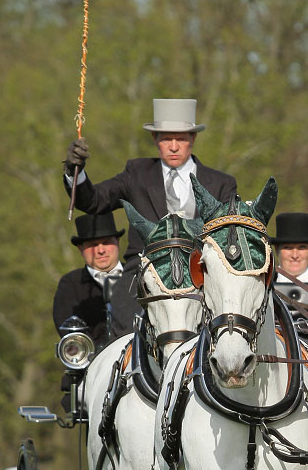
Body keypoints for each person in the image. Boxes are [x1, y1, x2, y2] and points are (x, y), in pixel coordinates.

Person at [63, 98, 237, 338]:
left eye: (181, 139)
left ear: (193, 139)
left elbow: (228, 242)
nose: (174, 146)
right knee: (123, 337)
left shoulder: (221, 184)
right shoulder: (136, 174)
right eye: (166, 138)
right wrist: (76, 172)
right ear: (155, 140)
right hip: (141, 278)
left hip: (202, 278)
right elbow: (93, 201)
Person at [53, 212, 125, 351]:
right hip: (92, 363)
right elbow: (70, 334)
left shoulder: (139, 275)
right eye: (93, 245)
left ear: (118, 242)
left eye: (106, 242)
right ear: (81, 249)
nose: (100, 250)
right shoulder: (70, 284)